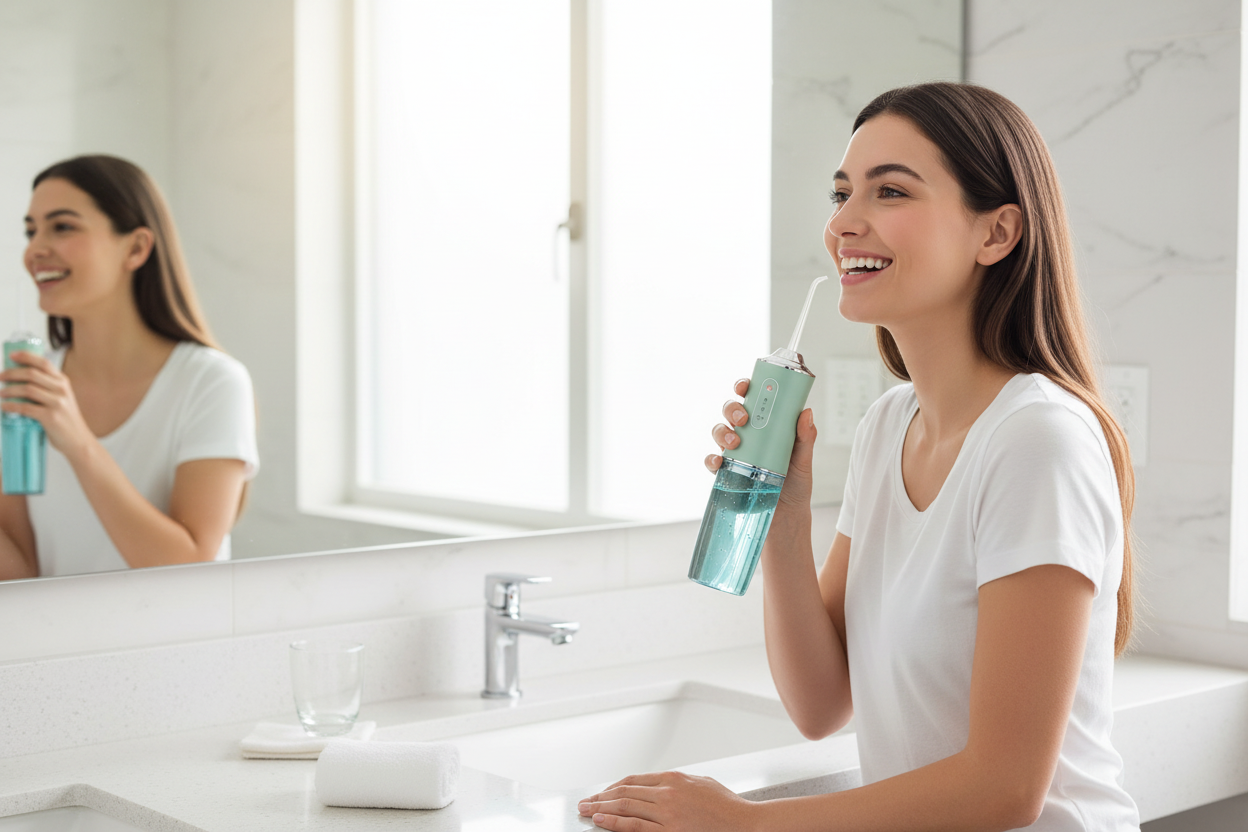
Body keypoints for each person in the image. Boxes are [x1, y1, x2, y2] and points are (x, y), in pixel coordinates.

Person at [578, 82, 1141, 830]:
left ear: (996, 234)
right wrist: (784, 515)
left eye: (891, 191)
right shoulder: (890, 426)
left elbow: (1004, 788)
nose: (844, 222)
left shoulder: (1037, 440)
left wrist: (743, 824)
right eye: (842, 193)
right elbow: (819, 704)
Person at [0, 155, 258, 579]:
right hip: (59, 644)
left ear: (136, 247)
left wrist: (78, 441)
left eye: (62, 226)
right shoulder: (25, 385)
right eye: (31, 231)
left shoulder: (211, 383)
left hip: (174, 645)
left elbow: (190, 567)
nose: (35, 250)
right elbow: (22, 573)